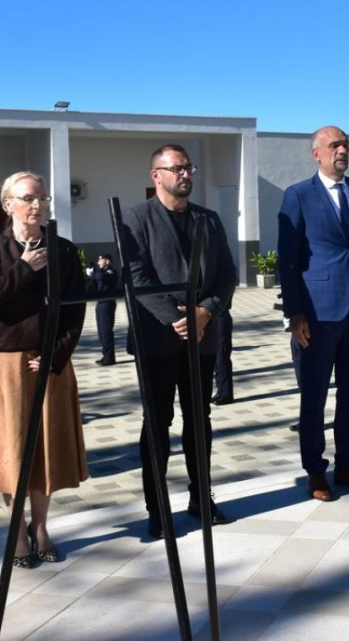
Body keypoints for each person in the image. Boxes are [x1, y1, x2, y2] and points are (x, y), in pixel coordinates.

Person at [0, 171, 87, 568]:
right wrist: (24, 267)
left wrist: (57, 355)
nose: (37, 206)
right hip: (4, 364)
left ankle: (40, 526)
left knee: (45, 450)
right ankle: (17, 531)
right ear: (8, 204)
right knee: (11, 451)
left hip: (48, 360)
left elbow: (75, 310)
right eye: (27, 198)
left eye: (42, 199)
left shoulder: (65, 250)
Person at [122, 144, 237, 539]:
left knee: (198, 422)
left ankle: (200, 497)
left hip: (201, 339)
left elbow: (226, 274)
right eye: (176, 168)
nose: (185, 174)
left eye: (189, 167)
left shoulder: (209, 219)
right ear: (156, 176)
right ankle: (158, 508)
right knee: (157, 425)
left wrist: (205, 311)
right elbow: (136, 277)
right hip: (156, 339)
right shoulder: (136, 218)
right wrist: (177, 319)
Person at [278, 125, 349, 501]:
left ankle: (347, 466)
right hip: (318, 314)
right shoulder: (298, 196)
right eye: (334, 145)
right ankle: (315, 472)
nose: (342, 150)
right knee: (315, 397)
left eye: (345, 144)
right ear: (317, 153)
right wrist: (295, 313)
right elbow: (288, 262)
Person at [90, 253, 118, 366]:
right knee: (101, 332)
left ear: (107, 261)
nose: (98, 262)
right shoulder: (101, 273)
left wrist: (94, 272)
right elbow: (95, 283)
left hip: (107, 304)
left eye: (100, 260)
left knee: (106, 331)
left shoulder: (111, 272)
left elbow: (101, 277)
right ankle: (106, 355)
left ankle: (109, 358)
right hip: (100, 303)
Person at [212, 310, 235, 405]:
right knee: (216, 359)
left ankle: (226, 394)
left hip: (220, 314)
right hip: (212, 317)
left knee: (221, 356)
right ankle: (220, 390)